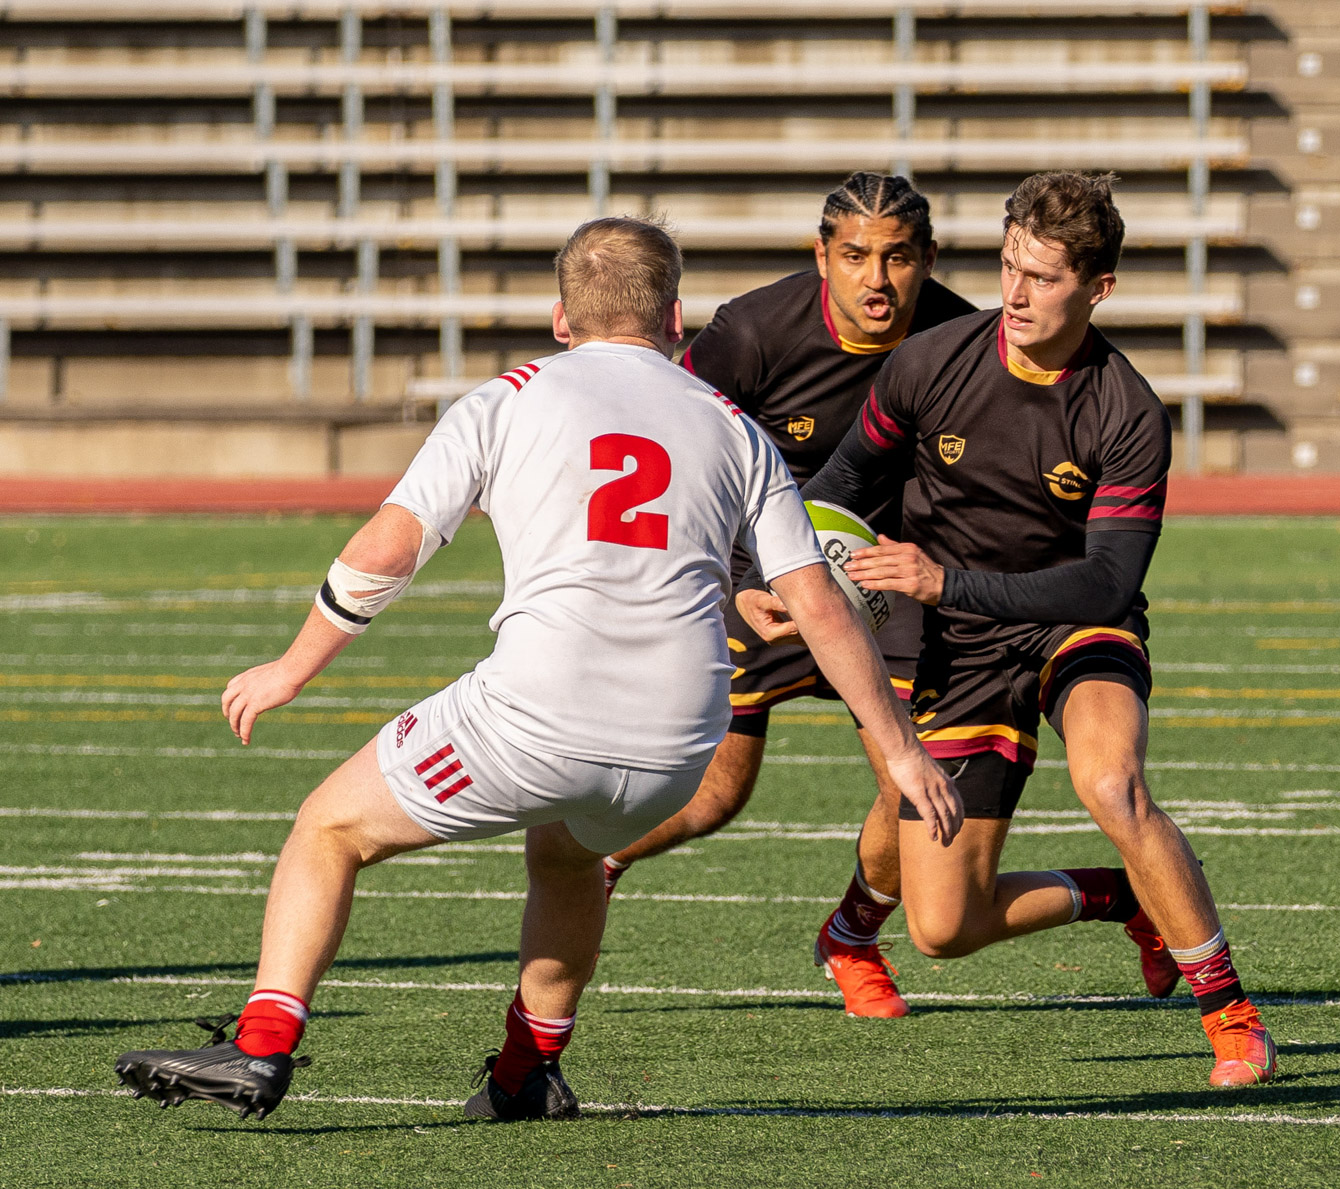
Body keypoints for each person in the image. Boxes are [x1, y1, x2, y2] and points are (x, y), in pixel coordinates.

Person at [112, 216, 962, 1122]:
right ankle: (525, 1074)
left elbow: (389, 547)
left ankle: (263, 1044)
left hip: (538, 718)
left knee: (327, 829)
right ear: (678, 319)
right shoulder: (733, 430)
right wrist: (902, 749)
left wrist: (292, 666)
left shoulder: (507, 398)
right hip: (679, 743)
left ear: (561, 318)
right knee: (569, 856)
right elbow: (822, 607)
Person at [747, 171, 1273, 1088]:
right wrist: (786, 580)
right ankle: (1117, 897)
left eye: (1043, 277)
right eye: (1007, 267)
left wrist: (946, 578)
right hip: (962, 646)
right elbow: (836, 491)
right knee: (943, 928)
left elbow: (1109, 576)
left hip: (1078, 625)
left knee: (1112, 781)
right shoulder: (928, 363)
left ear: (1097, 288)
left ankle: (1230, 1012)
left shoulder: (1126, 410)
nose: (1017, 294)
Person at [599, 172, 975, 1021]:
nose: (876, 279)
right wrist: (733, 583)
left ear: (928, 261)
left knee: (913, 778)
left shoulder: (961, 336)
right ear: (822, 257)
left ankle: (852, 933)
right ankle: (599, 860)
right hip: (759, 576)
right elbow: (675, 439)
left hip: (886, 591)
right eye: (855, 256)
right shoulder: (755, 330)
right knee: (716, 794)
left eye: (898, 257)